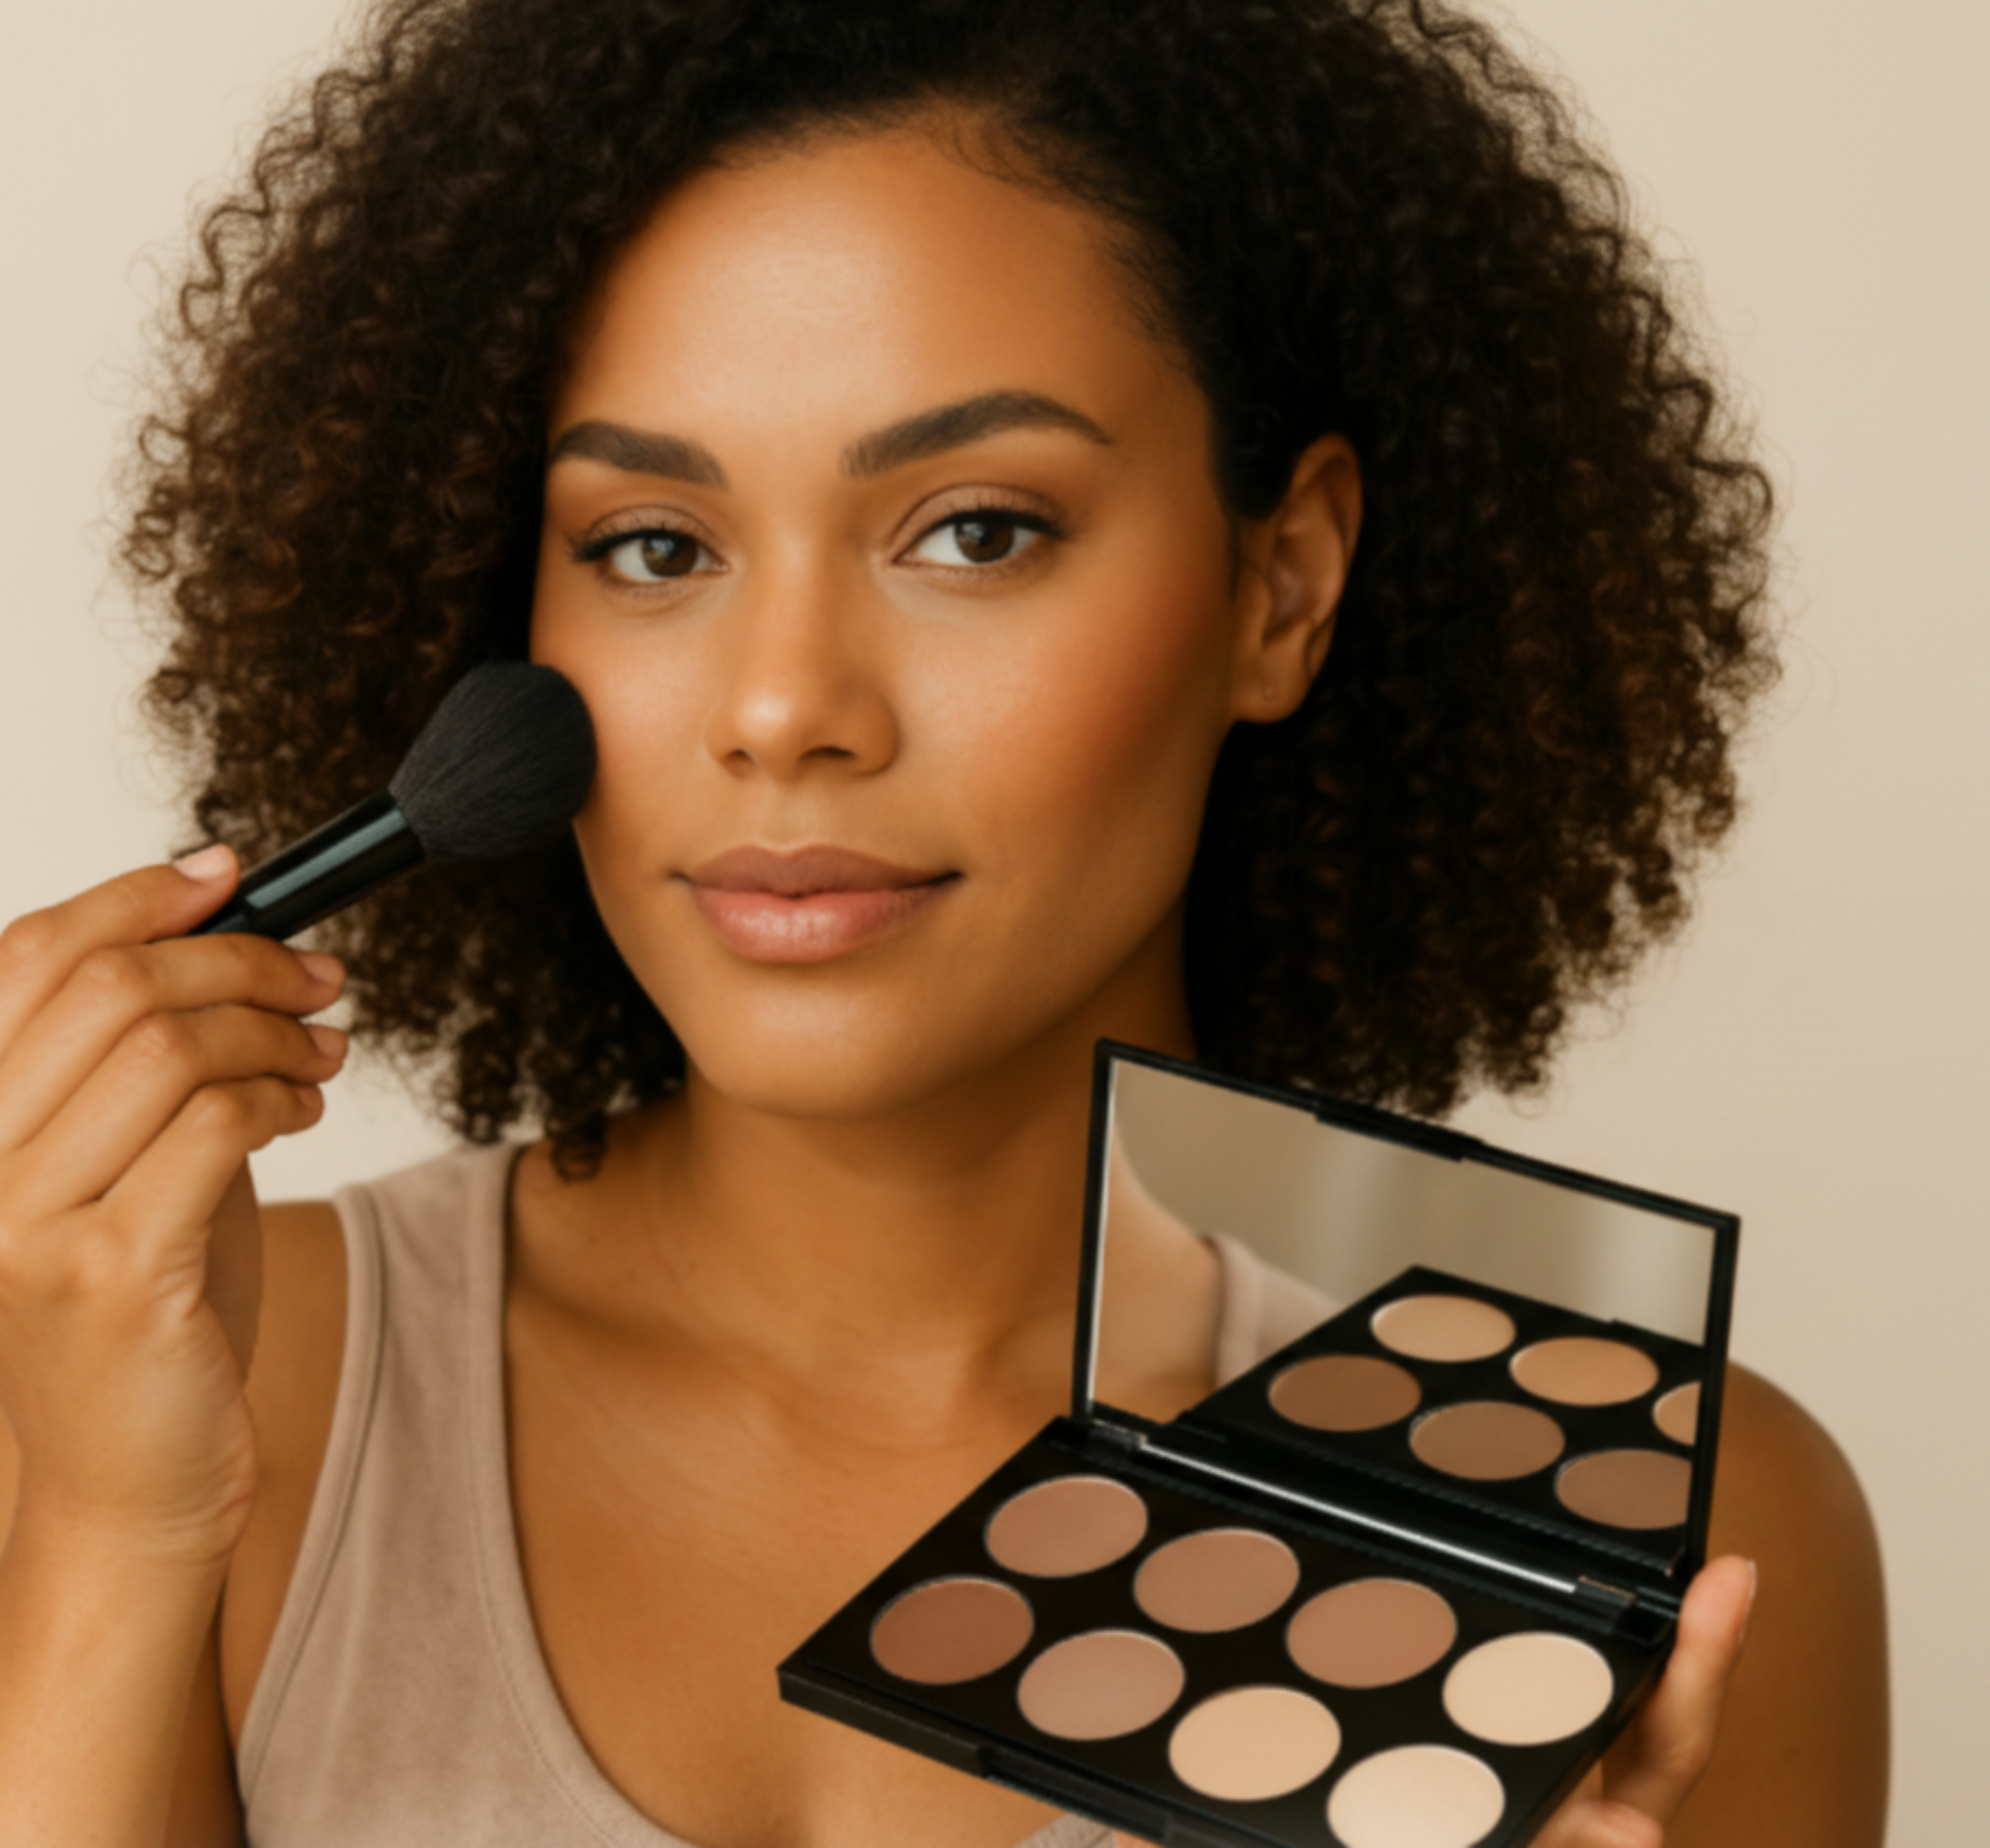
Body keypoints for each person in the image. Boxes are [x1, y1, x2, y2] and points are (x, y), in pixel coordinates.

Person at [0, 1, 1887, 1843]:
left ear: (1280, 588)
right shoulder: (204, 1378)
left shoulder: (1654, 1523)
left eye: (974, 529)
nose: (782, 705)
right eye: (655, 546)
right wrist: (113, 1522)